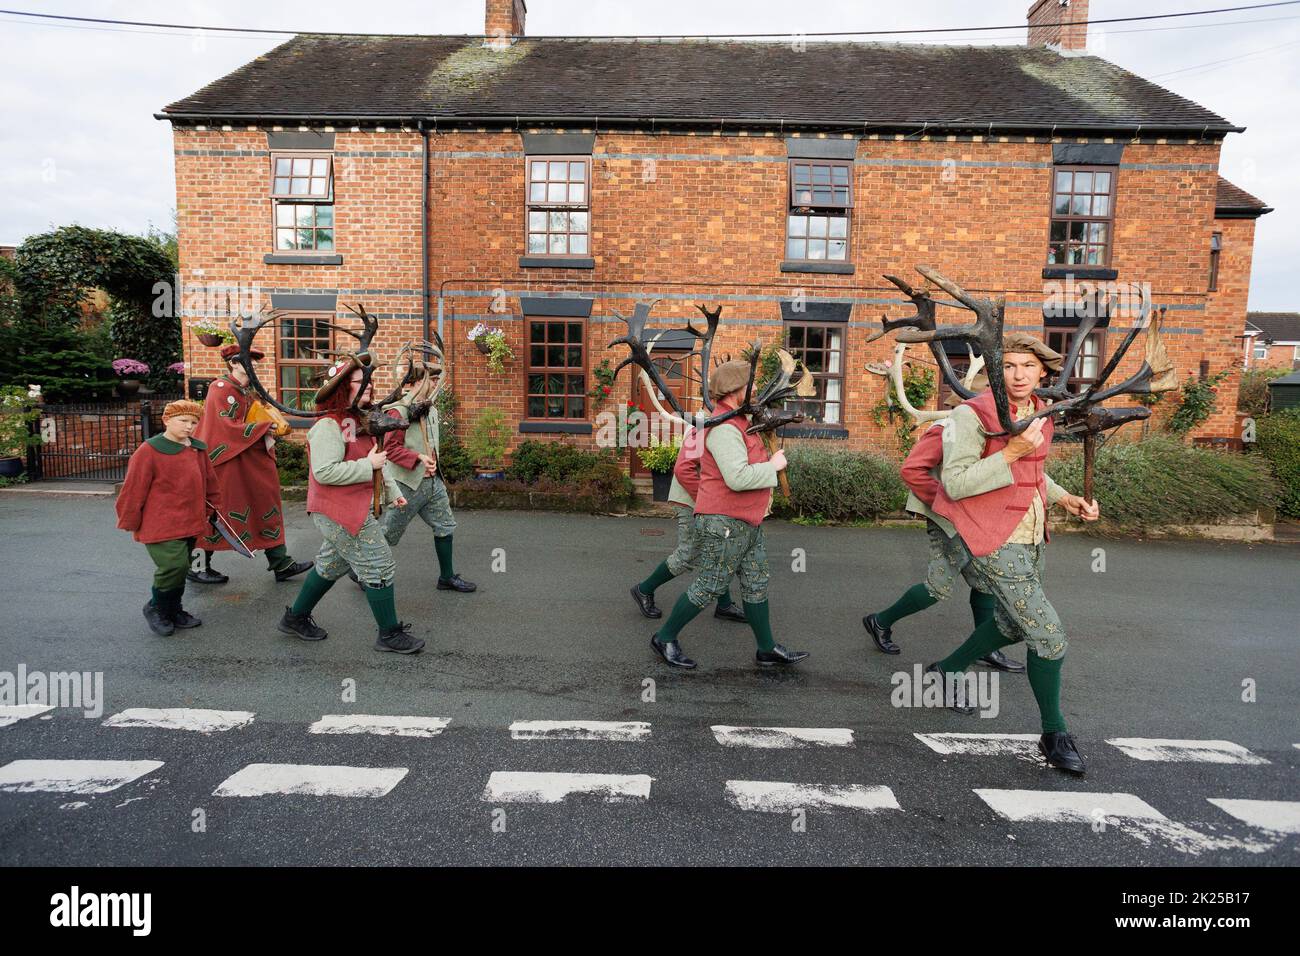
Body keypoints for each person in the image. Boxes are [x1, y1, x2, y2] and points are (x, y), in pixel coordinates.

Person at [928, 334, 1099, 775]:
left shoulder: (1039, 412)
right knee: (1049, 636)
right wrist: (1008, 452)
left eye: (1028, 366)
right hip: (991, 537)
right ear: (994, 372)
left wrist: (1065, 498)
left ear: (1042, 372)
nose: (1019, 375)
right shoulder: (971, 414)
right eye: (1009, 366)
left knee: (1009, 623)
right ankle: (1053, 733)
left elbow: (1034, 471)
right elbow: (956, 483)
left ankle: (945, 670)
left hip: (1032, 532)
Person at [648, 359, 808, 669]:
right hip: (724, 523)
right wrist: (772, 467)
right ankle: (664, 637)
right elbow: (736, 477)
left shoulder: (740, 422)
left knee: (756, 582)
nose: (757, 390)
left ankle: (766, 649)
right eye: (752, 385)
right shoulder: (722, 427)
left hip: (748, 521)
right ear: (737, 390)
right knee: (709, 584)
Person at [863, 376, 1023, 673]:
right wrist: (947, 503)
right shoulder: (946, 429)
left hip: (975, 518)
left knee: (985, 581)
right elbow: (912, 470)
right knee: (938, 587)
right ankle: (880, 621)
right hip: (949, 519)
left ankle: (986, 649)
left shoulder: (985, 429)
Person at [276, 356, 425, 654]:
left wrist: (392, 490)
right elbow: (324, 472)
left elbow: (377, 464)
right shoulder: (328, 427)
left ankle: (295, 618)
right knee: (379, 563)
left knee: (331, 565)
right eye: (360, 382)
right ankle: (389, 634)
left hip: (352, 505)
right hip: (338, 510)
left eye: (367, 381)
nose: (368, 386)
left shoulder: (358, 421)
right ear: (343, 388)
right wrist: (366, 464)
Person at [188, 344, 312, 585]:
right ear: (233, 363)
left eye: (255, 360)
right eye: (248, 359)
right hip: (225, 462)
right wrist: (265, 427)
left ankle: (281, 563)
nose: (254, 364)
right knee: (215, 513)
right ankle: (197, 566)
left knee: (265, 503)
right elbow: (223, 427)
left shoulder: (248, 390)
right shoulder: (219, 388)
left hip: (248, 458)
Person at [115, 400, 223, 636]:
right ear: (166, 420)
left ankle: (174, 609)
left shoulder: (197, 449)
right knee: (173, 565)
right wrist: (130, 520)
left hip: (191, 521)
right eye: (183, 421)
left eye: (193, 422)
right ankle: (156, 607)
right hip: (160, 522)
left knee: (181, 568)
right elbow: (133, 489)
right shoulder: (149, 450)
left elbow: (209, 481)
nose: (189, 427)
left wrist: (212, 508)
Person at [371, 368, 476, 592]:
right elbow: (389, 449)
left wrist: (433, 464)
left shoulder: (431, 409)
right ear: (418, 382)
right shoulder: (398, 412)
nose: (438, 383)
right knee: (389, 533)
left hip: (432, 483)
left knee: (445, 525)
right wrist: (418, 458)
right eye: (433, 379)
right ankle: (360, 570)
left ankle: (446, 577)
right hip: (406, 484)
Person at [629, 423, 745, 624]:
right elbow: (683, 469)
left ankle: (724, 605)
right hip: (692, 501)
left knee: (717, 550)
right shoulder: (703, 428)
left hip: (709, 501)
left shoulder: (726, 426)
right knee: (689, 553)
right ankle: (644, 589)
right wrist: (704, 499)